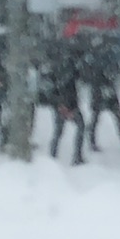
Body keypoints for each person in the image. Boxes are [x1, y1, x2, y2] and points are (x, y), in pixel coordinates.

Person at [84, 35, 120, 153]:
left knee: (97, 117)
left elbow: (89, 75)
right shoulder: (108, 56)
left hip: (98, 91)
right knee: (116, 117)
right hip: (107, 90)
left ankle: (92, 141)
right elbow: (116, 70)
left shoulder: (92, 57)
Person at [40, 36, 86, 165]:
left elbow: (51, 89)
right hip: (67, 103)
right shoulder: (69, 66)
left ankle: (52, 157)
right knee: (79, 127)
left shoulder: (54, 66)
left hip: (60, 104)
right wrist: (68, 106)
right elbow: (69, 86)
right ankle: (76, 156)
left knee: (58, 132)